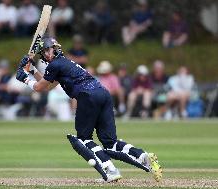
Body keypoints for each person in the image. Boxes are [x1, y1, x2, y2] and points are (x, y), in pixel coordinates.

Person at [15, 37, 162, 182]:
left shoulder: (55, 65)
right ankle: (142, 156)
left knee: (83, 140)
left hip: (87, 96)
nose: (47, 54)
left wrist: (25, 78)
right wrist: (32, 69)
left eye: (49, 49)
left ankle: (110, 170)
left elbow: (39, 87)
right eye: (44, 52)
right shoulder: (64, 63)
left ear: (55, 48)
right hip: (103, 94)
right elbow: (48, 85)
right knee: (110, 142)